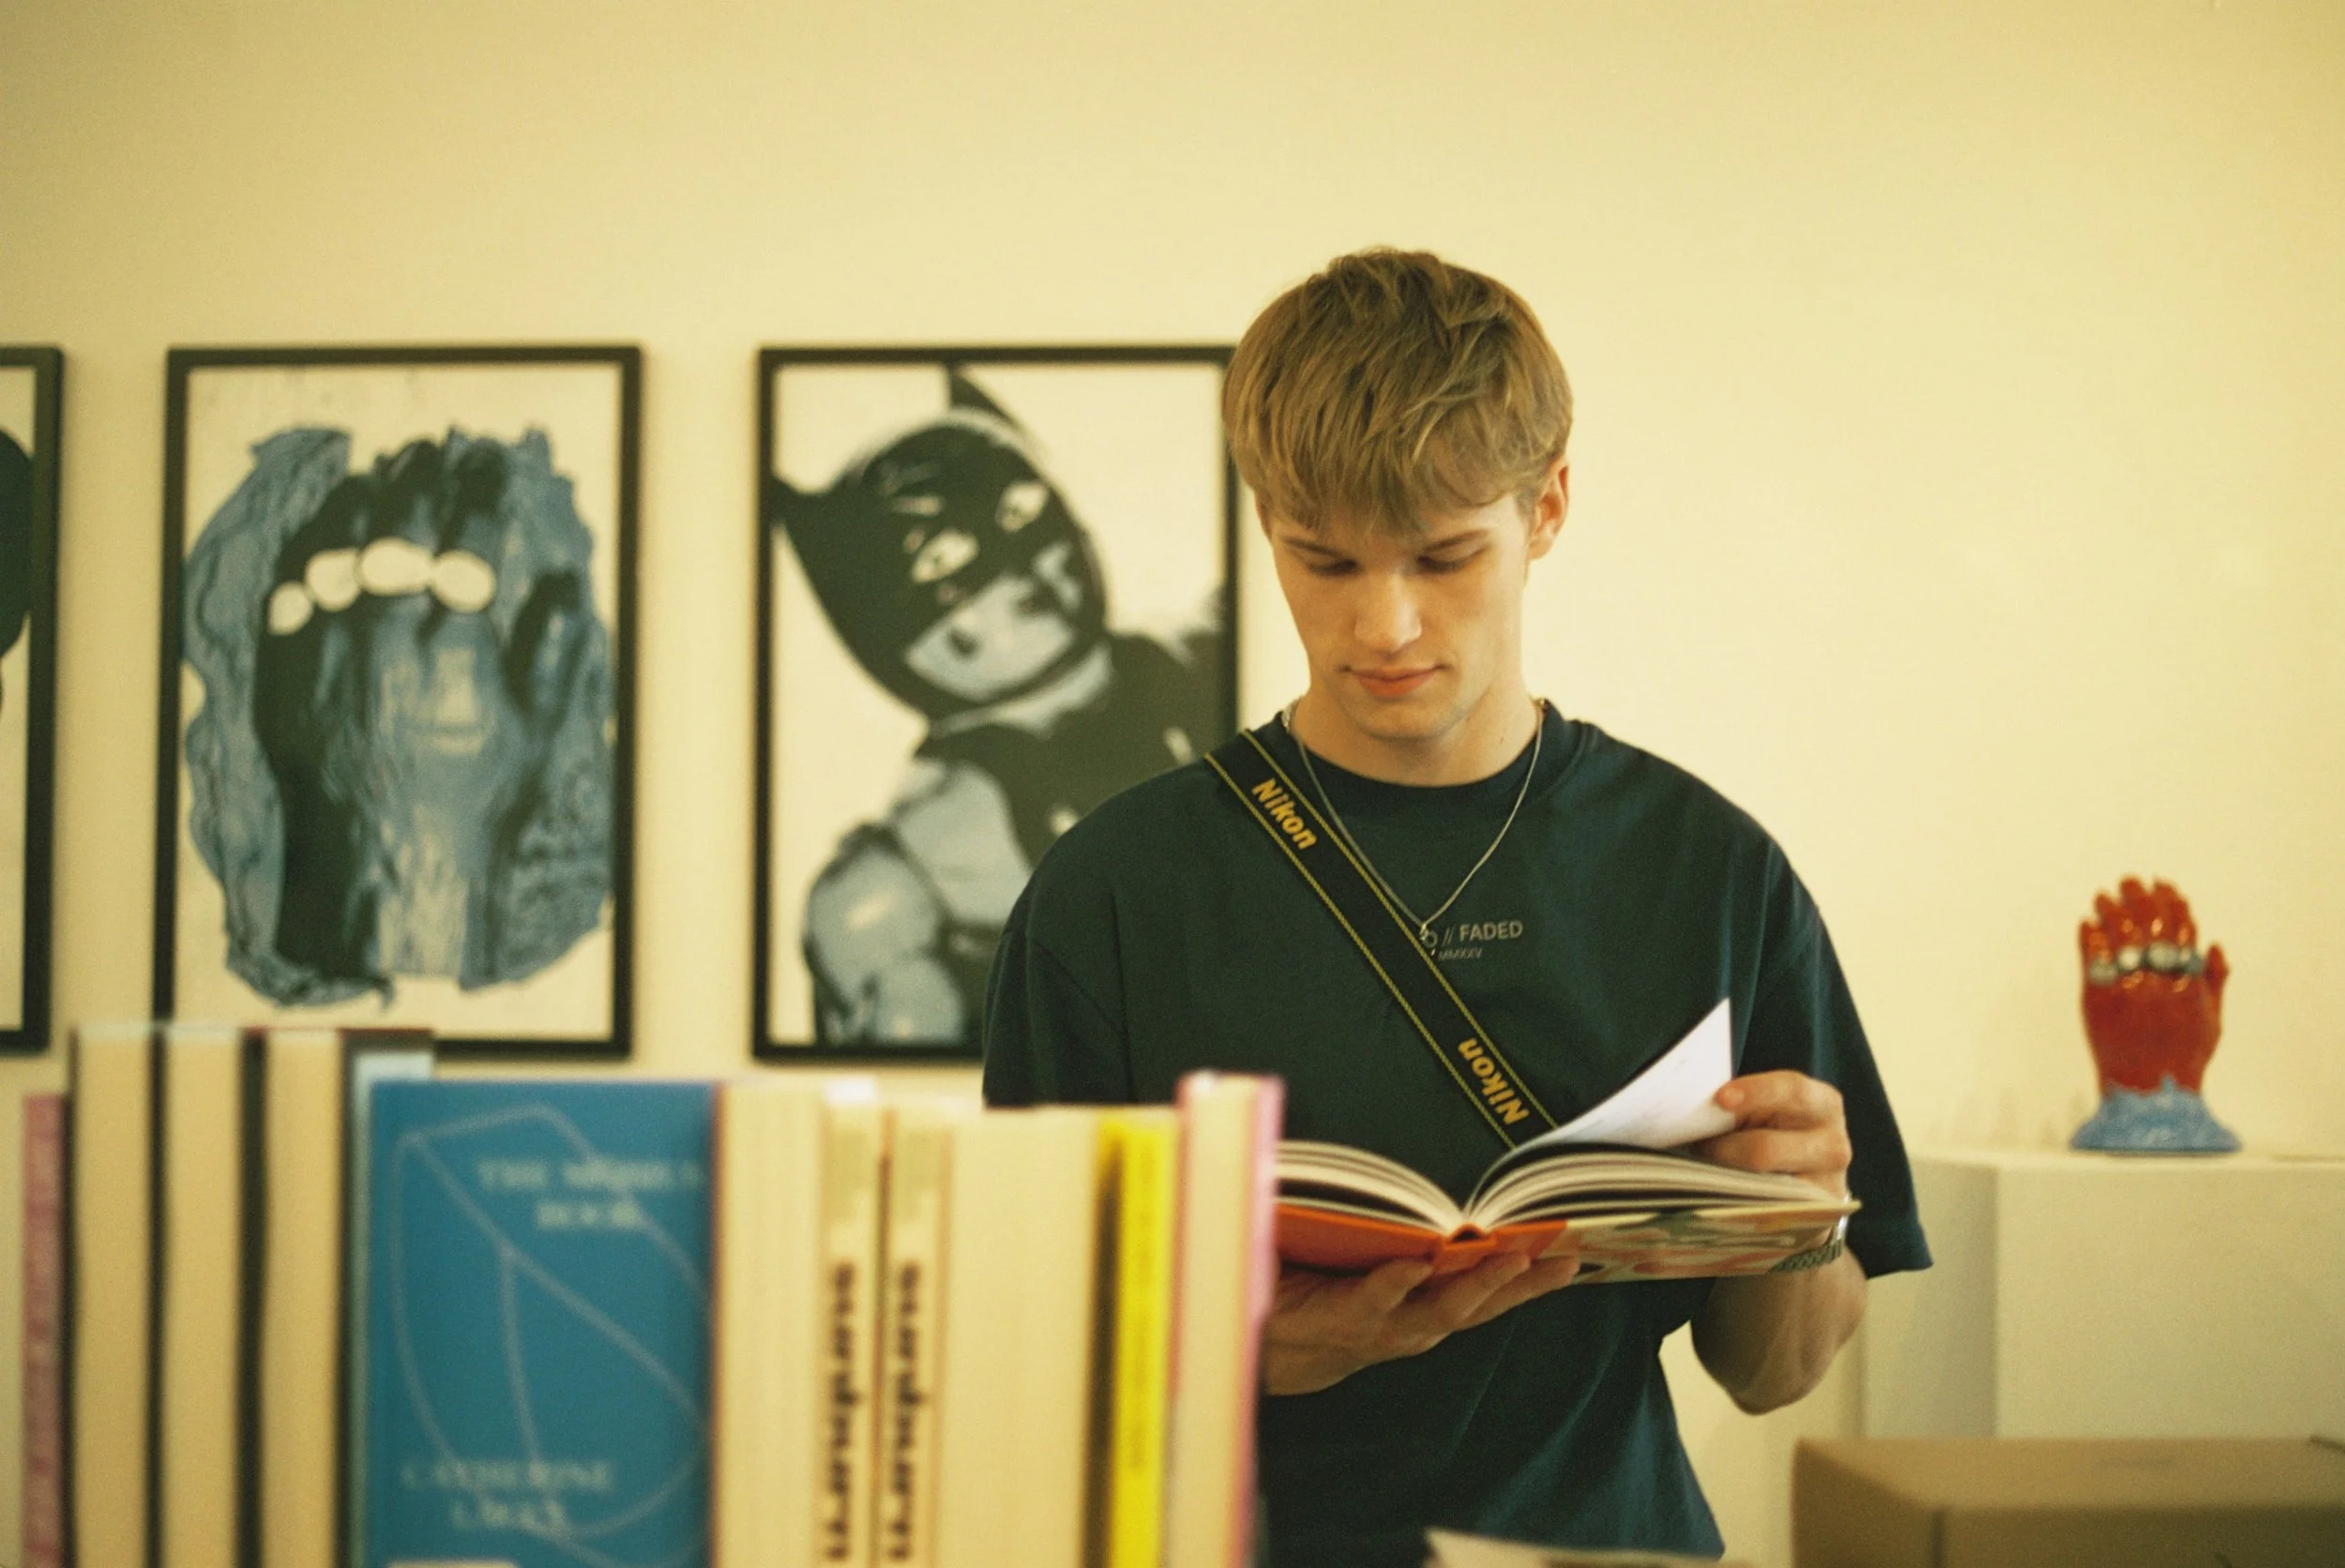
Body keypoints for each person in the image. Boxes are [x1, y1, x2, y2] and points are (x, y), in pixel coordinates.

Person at [981, 249, 1929, 1564]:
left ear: (1547, 508)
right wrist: (1254, 1349)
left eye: (1444, 556)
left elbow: (1774, 1376)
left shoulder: (1708, 868)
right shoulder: (1113, 894)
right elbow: (1025, 1355)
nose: (1385, 625)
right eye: (1324, 561)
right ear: (1266, 524)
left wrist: (1798, 1226)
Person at [770, 370, 1222, 1046]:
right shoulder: (901, 874)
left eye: (1023, 514)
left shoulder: (1207, 651)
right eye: (944, 559)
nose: (1022, 570)